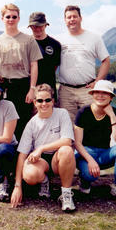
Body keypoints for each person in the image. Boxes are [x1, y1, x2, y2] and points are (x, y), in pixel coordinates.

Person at [11, 84, 76, 212]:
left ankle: (66, 194)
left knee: (66, 150)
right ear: (35, 102)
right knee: (29, 175)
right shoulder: (31, 124)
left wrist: (40, 148)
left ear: (53, 101)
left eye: (47, 100)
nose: (44, 104)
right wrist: (17, 186)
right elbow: (22, 155)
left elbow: (67, 140)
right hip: (42, 161)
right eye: (40, 100)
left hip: (58, 158)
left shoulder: (62, 114)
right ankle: (44, 181)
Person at [0, 3, 43, 140]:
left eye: (14, 16)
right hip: (3, 85)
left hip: (23, 85)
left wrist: (32, 89)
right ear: (2, 18)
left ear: (19, 18)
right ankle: (3, 156)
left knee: (22, 122)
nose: (11, 19)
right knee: (1, 122)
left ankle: (21, 158)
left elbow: (34, 65)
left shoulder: (29, 40)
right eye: (8, 16)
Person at [74, 80, 116, 204]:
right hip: (86, 155)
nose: (100, 95)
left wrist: (111, 115)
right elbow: (77, 143)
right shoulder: (83, 112)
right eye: (97, 92)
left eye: (105, 93)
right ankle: (84, 181)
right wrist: (90, 161)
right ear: (92, 94)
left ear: (111, 97)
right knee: (92, 175)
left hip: (105, 154)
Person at [57, 5, 110, 122]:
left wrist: (98, 81)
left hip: (87, 90)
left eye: (74, 16)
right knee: (67, 126)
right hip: (66, 91)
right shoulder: (58, 40)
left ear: (80, 18)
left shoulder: (94, 38)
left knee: (90, 123)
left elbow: (106, 60)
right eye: (68, 17)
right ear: (65, 20)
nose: (72, 19)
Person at [28, 12, 61, 102]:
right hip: (29, 89)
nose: (38, 29)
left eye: (40, 26)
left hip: (49, 88)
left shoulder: (55, 44)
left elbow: (55, 66)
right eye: (35, 26)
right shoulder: (26, 43)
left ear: (46, 25)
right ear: (30, 27)